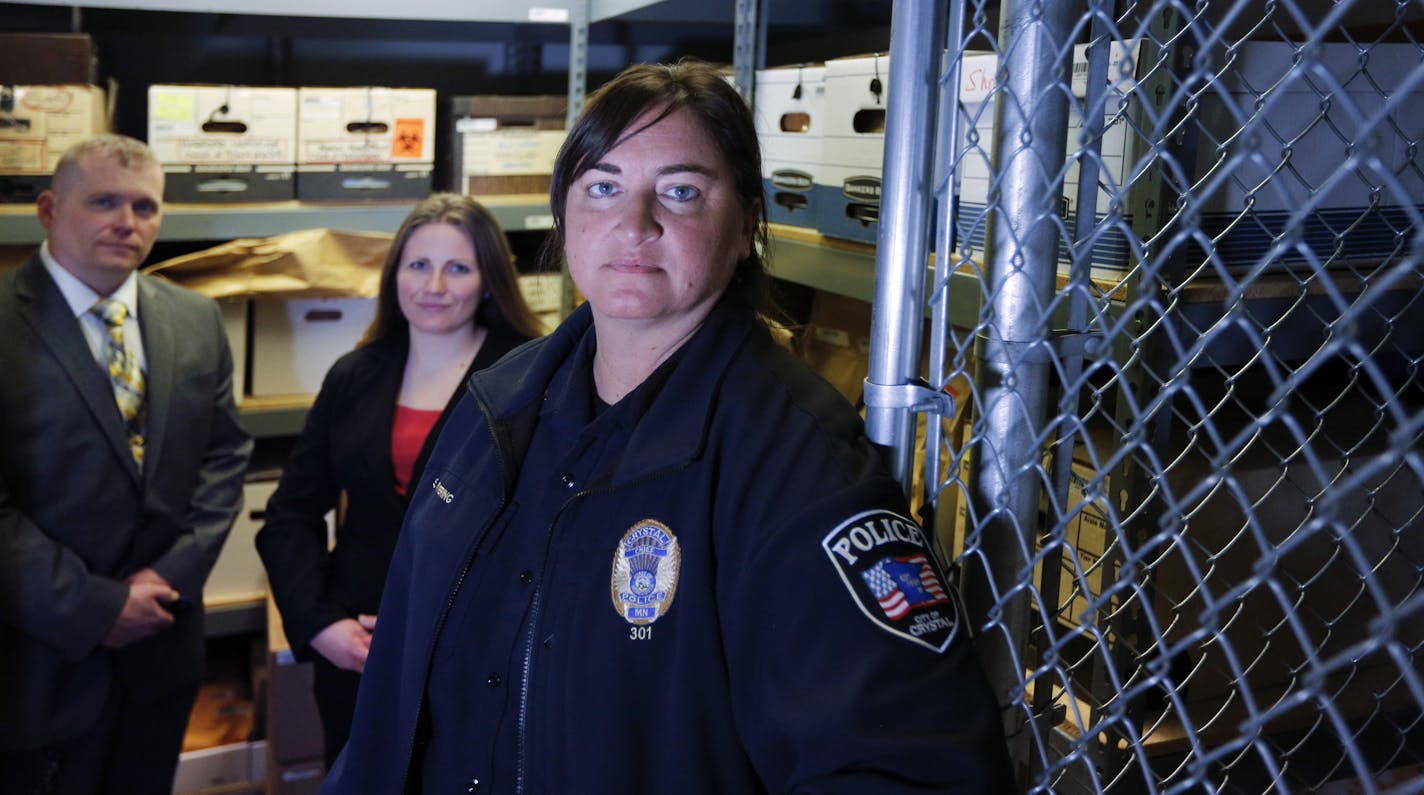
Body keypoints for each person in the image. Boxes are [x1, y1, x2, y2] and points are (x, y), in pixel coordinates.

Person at [322, 60, 1014, 794]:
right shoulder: (496, 404)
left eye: (681, 192)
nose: (633, 223)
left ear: (746, 221)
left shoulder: (801, 465)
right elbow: (399, 686)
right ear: (566, 213)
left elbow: (908, 768)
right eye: (603, 186)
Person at [0, 134, 253, 794]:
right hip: (39, 665)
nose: (127, 222)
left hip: (161, 652)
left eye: (145, 206)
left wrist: (169, 578)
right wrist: (96, 606)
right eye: (104, 201)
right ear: (50, 209)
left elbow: (226, 458)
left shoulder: (194, 318)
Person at [256, 192, 544, 767]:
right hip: (354, 654)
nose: (433, 285)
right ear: (394, 276)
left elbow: (542, 535)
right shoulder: (354, 375)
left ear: (489, 282)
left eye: (457, 267)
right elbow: (289, 514)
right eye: (418, 265)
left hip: (476, 655)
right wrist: (319, 624)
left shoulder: (531, 380)